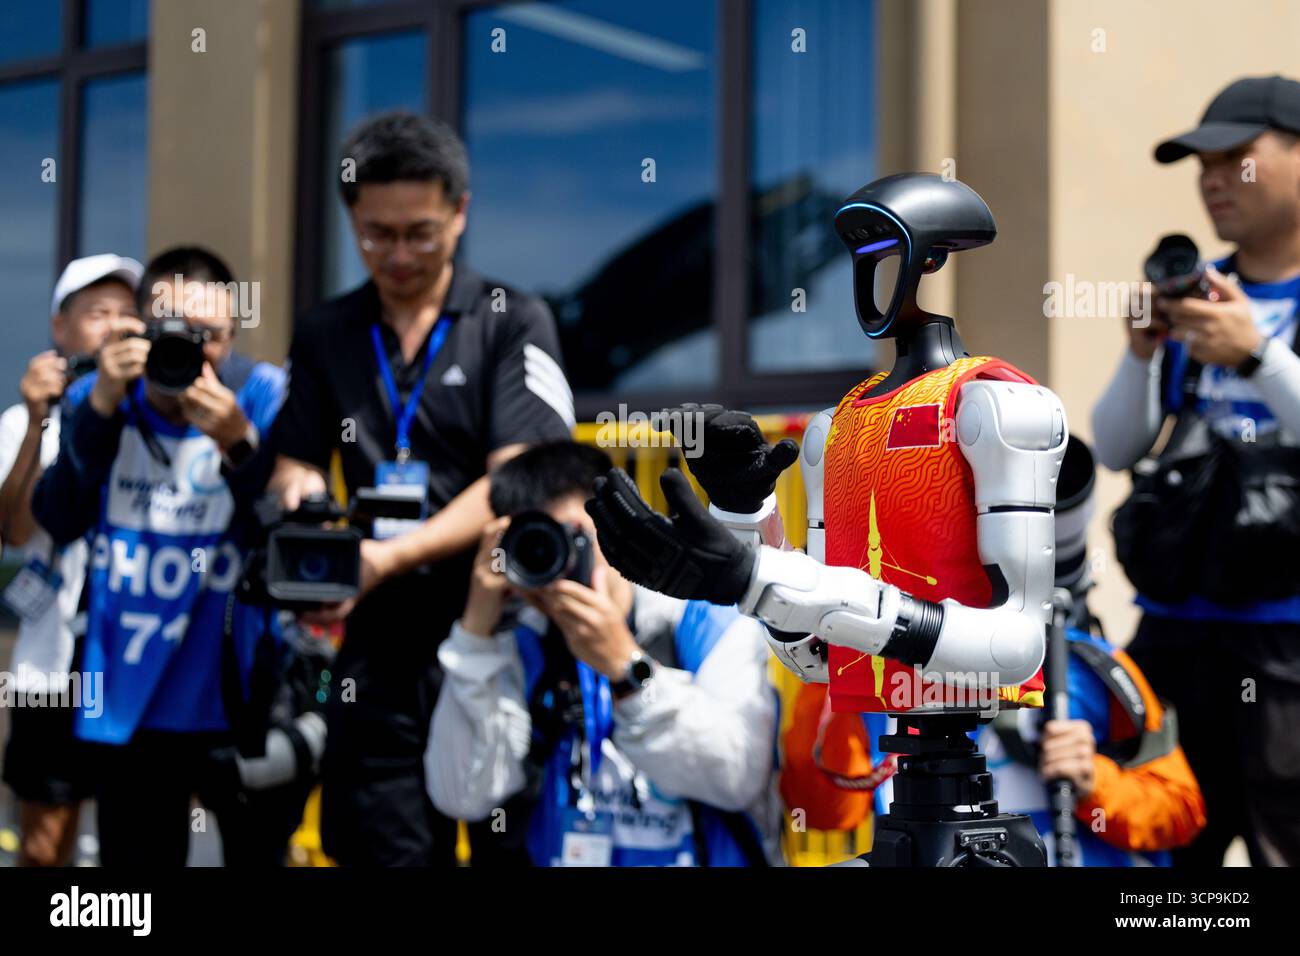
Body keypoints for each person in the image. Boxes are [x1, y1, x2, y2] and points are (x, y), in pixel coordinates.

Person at [266, 111, 574, 865]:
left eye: (420, 232)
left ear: (460, 212)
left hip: (500, 622)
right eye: (376, 234)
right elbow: (295, 460)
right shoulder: (326, 331)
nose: (398, 253)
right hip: (377, 644)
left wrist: (387, 558)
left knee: (513, 844)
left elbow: (516, 477)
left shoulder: (512, 320)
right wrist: (305, 502)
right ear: (351, 219)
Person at [1092, 75, 1300, 866]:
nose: (1214, 179)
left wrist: (1255, 354)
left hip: (1287, 642)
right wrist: (1144, 353)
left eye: (1236, 157)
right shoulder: (1202, 290)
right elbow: (1116, 448)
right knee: (1168, 855)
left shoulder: (1246, 319)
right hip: (1178, 636)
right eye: (1202, 164)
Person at [31, 246, 286, 865]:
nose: (193, 352)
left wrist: (239, 444)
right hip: (125, 697)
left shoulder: (261, 394)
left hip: (238, 693)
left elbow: (286, 541)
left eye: (211, 337)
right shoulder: (101, 394)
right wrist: (99, 407)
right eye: (174, 332)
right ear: (139, 328)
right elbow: (58, 517)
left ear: (233, 333)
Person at [426, 442, 783, 866]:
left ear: (609, 522)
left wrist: (626, 670)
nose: (552, 562)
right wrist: (475, 634)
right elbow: (461, 795)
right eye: (533, 544)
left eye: (568, 536)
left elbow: (738, 775)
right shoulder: (520, 639)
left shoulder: (704, 620)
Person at [0, 254, 142, 865]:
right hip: (48, 667)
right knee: (43, 846)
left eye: (126, 313)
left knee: (134, 841)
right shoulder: (25, 419)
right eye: (97, 312)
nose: (113, 326)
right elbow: (12, 530)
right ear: (61, 328)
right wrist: (36, 422)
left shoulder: (156, 412)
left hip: (133, 665)